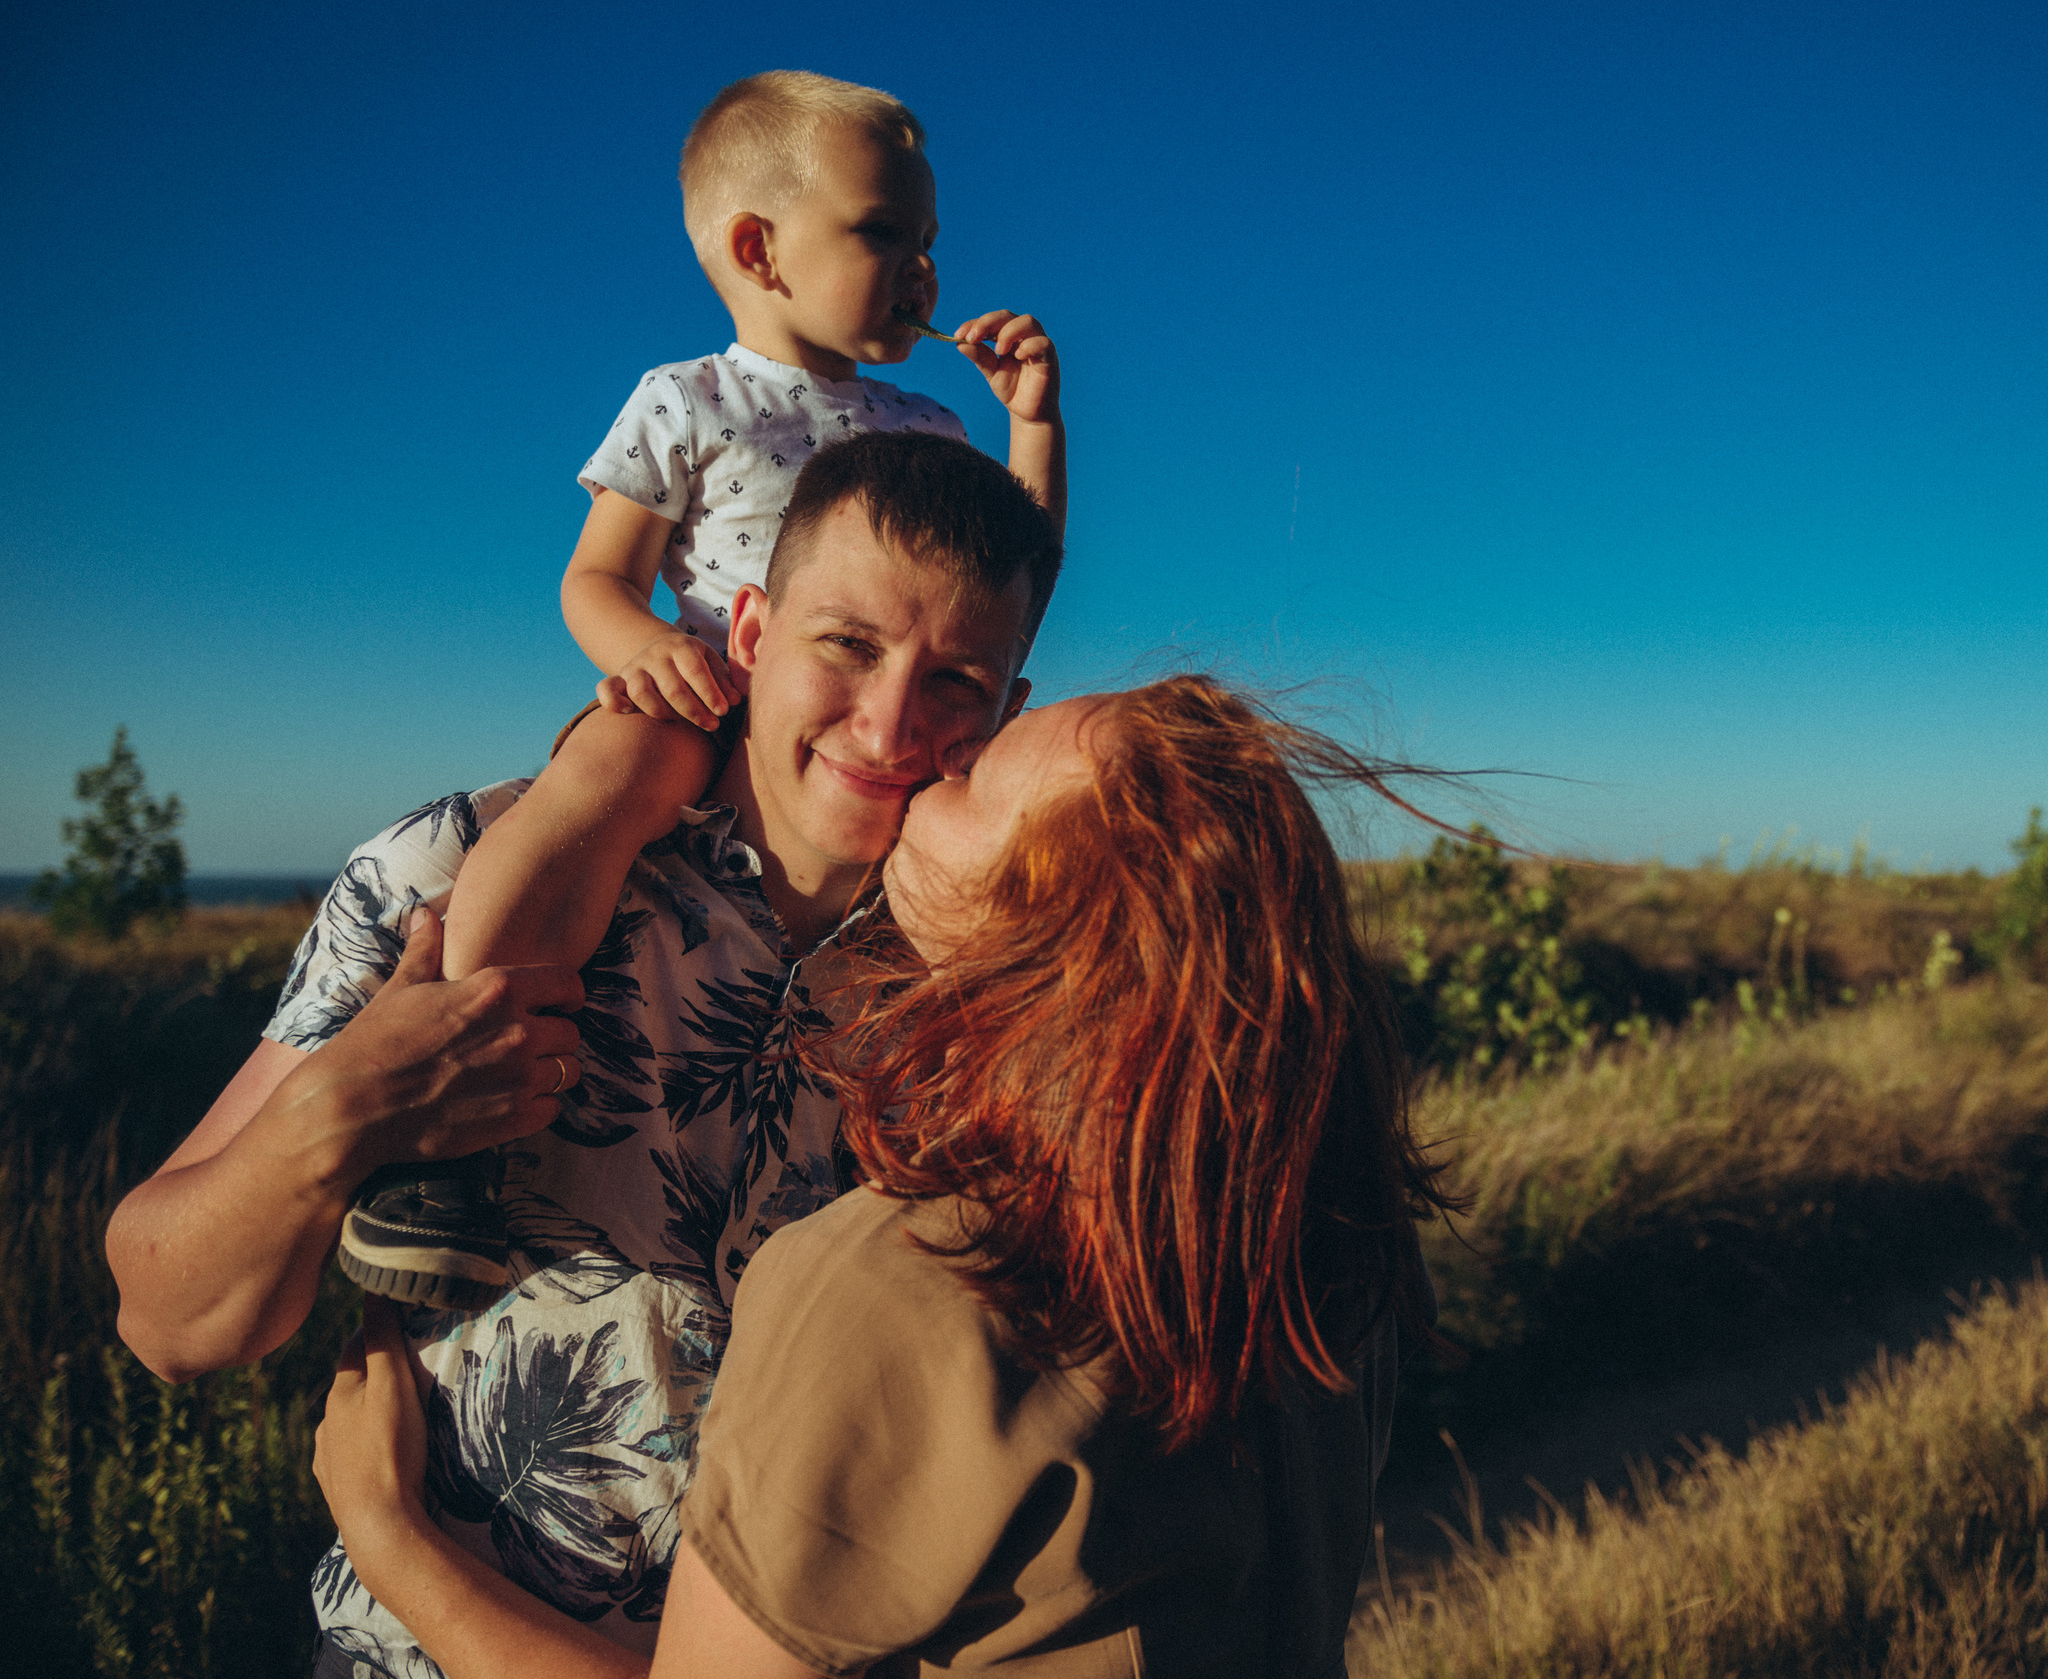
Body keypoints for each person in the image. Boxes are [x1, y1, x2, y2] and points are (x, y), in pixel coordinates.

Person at [105, 431, 1063, 1672]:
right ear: (755, 634)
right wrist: (333, 1115)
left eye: (955, 680)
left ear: (1007, 711)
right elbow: (169, 1323)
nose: (887, 721)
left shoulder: (991, 1002)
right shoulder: (461, 867)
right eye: (850, 644)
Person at [314, 677, 1454, 1677]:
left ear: (1043, 925)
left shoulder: (908, 1282)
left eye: (971, 775)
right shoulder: (1311, 1247)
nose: (922, 763)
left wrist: (390, 1537)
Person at [332, 66, 1070, 1309]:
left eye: (931, 242)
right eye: (887, 233)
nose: (927, 271)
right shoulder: (687, 400)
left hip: (848, 729)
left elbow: (1013, 582)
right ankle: (451, 1137)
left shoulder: (926, 428)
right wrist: (641, 654)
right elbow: (591, 577)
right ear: (756, 248)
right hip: (702, 695)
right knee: (598, 780)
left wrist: (1035, 427)